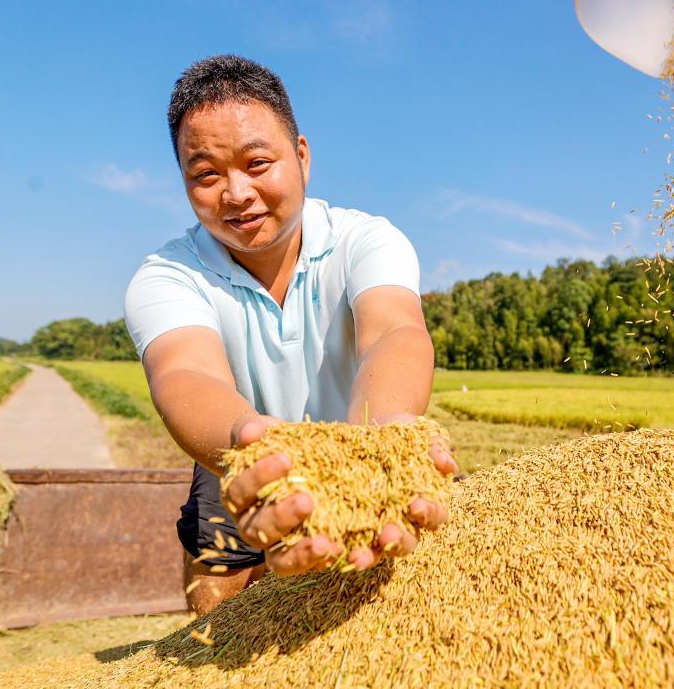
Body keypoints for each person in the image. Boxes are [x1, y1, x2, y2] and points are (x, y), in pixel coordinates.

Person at [124, 55, 457, 615]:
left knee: (398, 598)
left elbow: (394, 330)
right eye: (205, 174)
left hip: (363, 442)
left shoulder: (365, 241)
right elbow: (184, 372)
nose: (235, 193)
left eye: (258, 163)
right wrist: (254, 445)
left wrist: (383, 438)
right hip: (240, 458)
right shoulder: (166, 275)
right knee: (220, 606)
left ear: (301, 157)